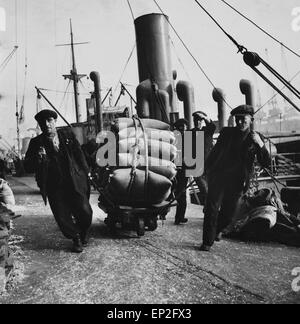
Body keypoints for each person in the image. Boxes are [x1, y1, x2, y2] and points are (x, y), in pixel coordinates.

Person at [200, 105, 271, 252]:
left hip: (238, 182)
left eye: (243, 119)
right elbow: (215, 151)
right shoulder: (226, 132)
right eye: (237, 119)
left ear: (251, 120)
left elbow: (266, 163)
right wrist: (205, 168)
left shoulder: (256, 138)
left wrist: (260, 144)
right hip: (219, 177)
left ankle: (215, 231)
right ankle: (207, 241)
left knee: (228, 215)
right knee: (211, 209)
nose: (239, 122)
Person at [24, 110, 93, 253]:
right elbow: (27, 167)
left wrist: (87, 172)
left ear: (55, 122)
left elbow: (79, 154)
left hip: (74, 180)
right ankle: (76, 238)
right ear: (39, 125)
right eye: (42, 122)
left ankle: (84, 230)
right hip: (54, 185)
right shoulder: (36, 143)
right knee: (62, 216)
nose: (46, 124)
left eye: (49, 120)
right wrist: (38, 158)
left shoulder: (67, 135)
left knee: (84, 210)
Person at [191, 111, 216, 204]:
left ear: (202, 121)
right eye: (195, 120)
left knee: (212, 191)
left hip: (210, 166)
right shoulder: (190, 133)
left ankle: (207, 211)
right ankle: (208, 210)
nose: (197, 122)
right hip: (197, 169)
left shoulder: (208, 131)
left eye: (199, 120)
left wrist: (205, 117)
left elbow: (213, 126)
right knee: (205, 191)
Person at [173, 118, 189, 225]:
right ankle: (178, 216)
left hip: (183, 170)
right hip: (175, 169)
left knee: (181, 193)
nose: (183, 130)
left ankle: (180, 216)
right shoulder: (175, 139)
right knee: (177, 193)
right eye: (181, 128)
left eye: (184, 128)